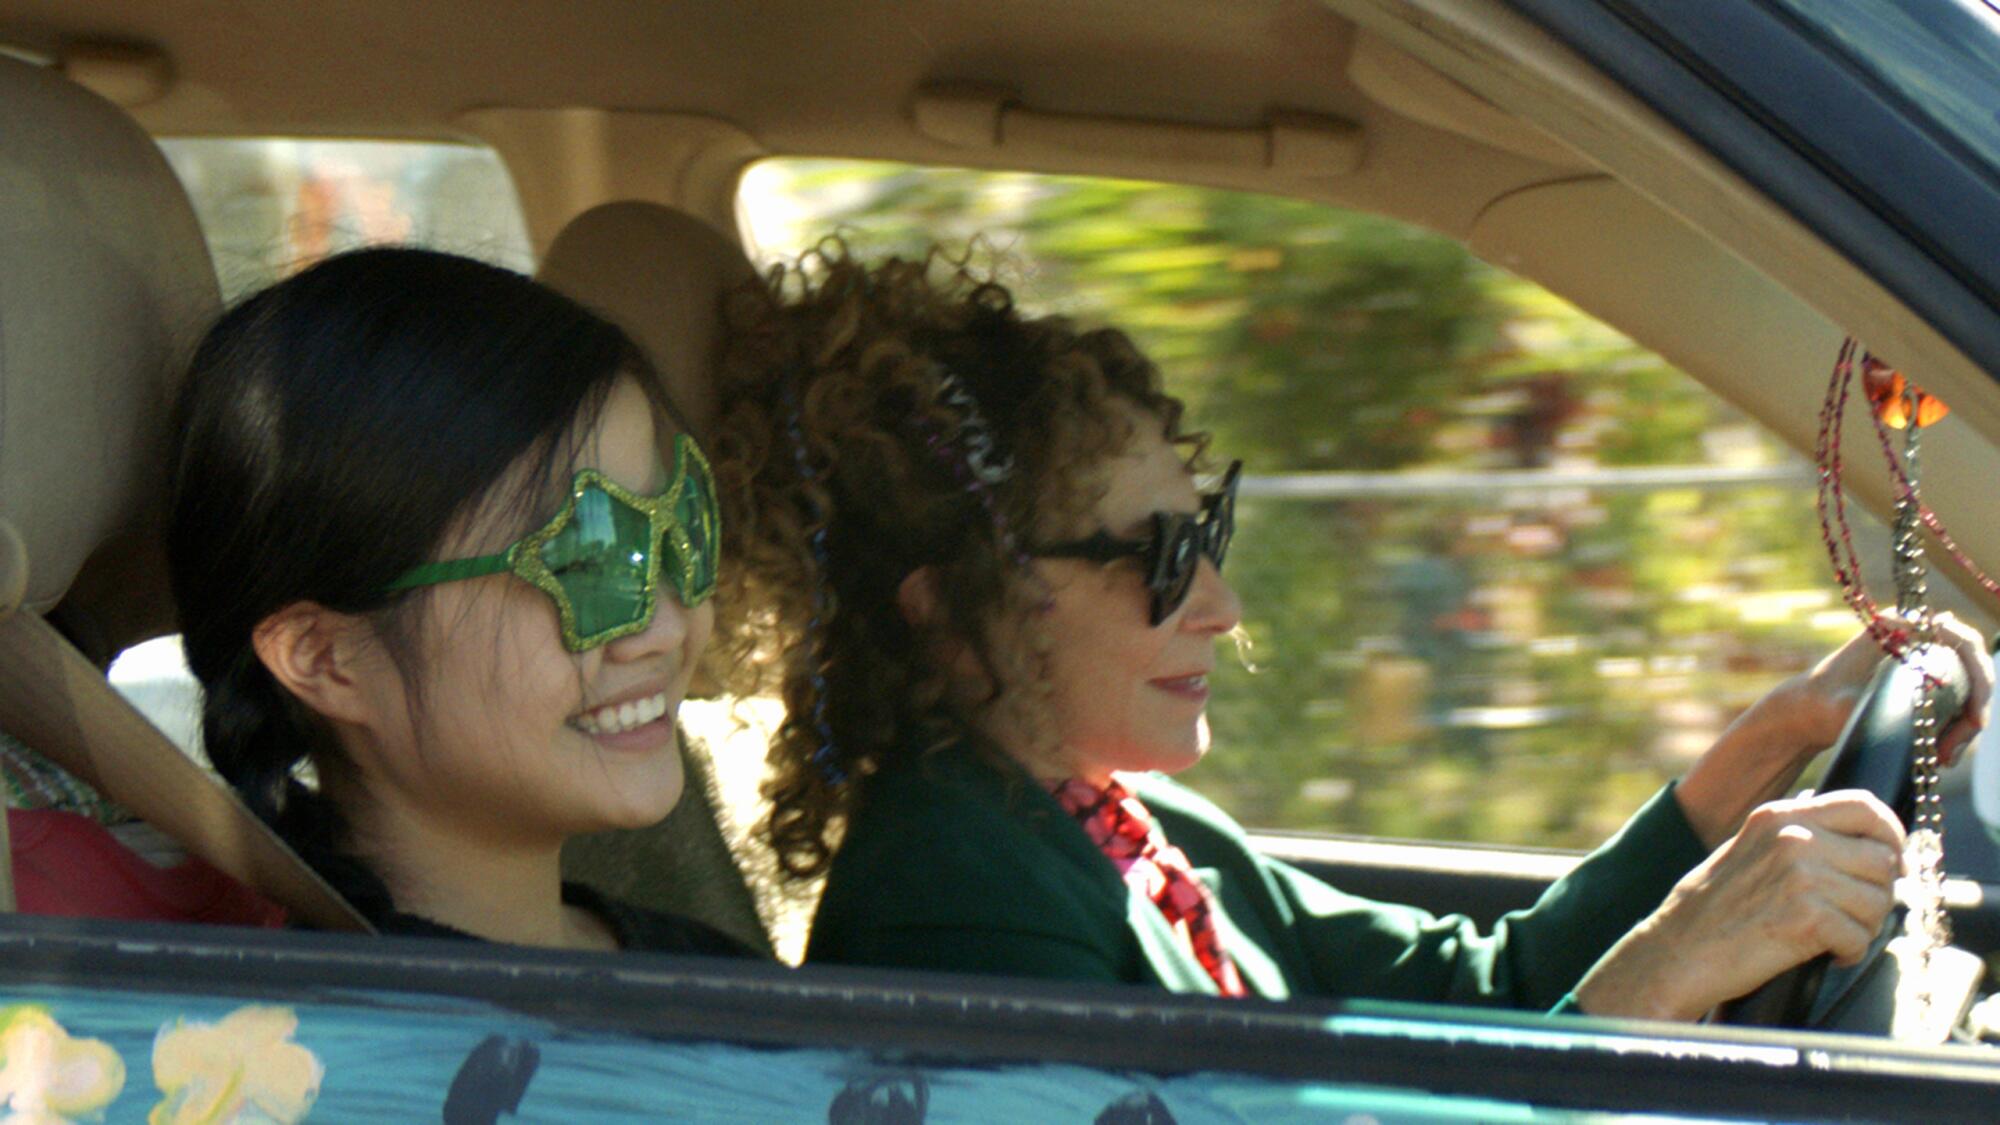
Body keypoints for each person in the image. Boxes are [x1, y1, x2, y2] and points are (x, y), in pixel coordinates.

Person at [710, 242, 1993, 1017]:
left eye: (1202, 536)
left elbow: (1470, 987)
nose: (1218, 602)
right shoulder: (956, 892)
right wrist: (1659, 975)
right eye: (1153, 558)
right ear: (943, 613)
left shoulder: (1110, 822)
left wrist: (1755, 755)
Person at [166, 247, 750, 955]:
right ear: (326, 657)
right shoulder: (319, 1047)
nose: (665, 625)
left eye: (678, 525)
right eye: (584, 556)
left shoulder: (707, 972)